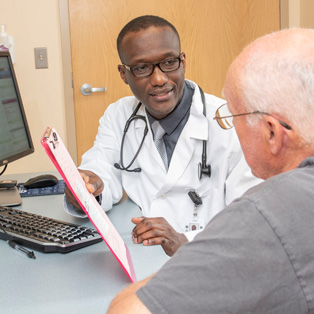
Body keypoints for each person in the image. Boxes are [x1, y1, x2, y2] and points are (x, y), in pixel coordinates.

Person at [107, 28, 314, 313]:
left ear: (272, 132)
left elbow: (127, 310)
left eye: (232, 115)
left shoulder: (268, 212)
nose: (227, 124)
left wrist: (189, 259)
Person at [65, 15, 260, 256]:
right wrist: (88, 188)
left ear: (183, 61)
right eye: (142, 67)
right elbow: (102, 170)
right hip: (144, 254)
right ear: (123, 74)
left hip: (212, 258)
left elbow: (250, 219)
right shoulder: (119, 115)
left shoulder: (231, 123)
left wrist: (186, 240)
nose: (159, 79)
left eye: (169, 62)